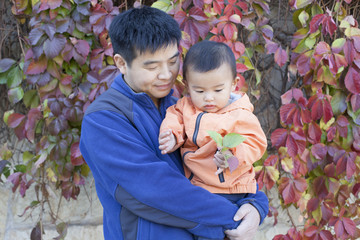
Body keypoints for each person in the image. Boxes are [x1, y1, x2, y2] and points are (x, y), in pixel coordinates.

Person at [79, 6, 269, 240]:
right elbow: (158, 191)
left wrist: (255, 204)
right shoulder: (104, 120)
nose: (166, 74)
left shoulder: (183, 105)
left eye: (172, 61)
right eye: (152, 66)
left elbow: (223, 164)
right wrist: (236, 218)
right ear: (121, 63)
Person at [158, 41, 267, 239]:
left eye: (218, 90)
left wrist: (231, 156)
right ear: (186, 86)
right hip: (198, 187)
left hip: (231, 188)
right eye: (199, 91)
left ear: (234, 84)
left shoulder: (240, 114)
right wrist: (172, 135)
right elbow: (173, 118)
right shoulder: (185, 107)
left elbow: (255, 143)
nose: (209, 98)